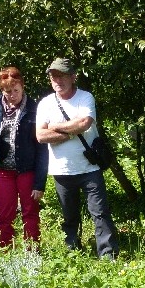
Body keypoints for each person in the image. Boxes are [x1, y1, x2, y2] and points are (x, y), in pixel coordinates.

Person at [36, 58, 118, 257]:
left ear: (73, 76)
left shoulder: (85, 97)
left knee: (100, 214)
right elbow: (40, 136)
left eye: (62, 75)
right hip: (61, 170)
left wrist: (54, 127)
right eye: (53, 76)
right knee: (69, 216)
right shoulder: (45, 103)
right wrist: (71, 129)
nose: (57, 80)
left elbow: (84, 123)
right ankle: (72, 252)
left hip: (89, 168)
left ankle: (108, 255)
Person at [0, 66, 48, 247]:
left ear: (23, 86)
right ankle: (6, 252)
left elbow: (42, 149)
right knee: (5, 214)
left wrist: (39, 182)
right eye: (7, 91)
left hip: (27, 169)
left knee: (30, 211)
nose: (12, 95)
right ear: (1, 89)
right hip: (3, 171)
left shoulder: (34, 108)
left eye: (16, 90)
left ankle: (32, 252)